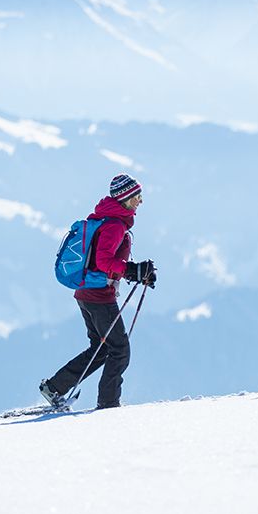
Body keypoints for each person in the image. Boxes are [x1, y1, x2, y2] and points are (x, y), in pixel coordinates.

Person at [40, 173, 157, 411]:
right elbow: (104, 262)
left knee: (102, 349)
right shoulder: (114, 225)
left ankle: (55, 387)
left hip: (86, 293)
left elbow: (105, 261)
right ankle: (108, 404)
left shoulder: (107, 219)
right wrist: (132, 271)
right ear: (125, 198)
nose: (140, 201)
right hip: (98, 296)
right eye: (136, 196)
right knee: (119, 350)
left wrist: (136, 272)